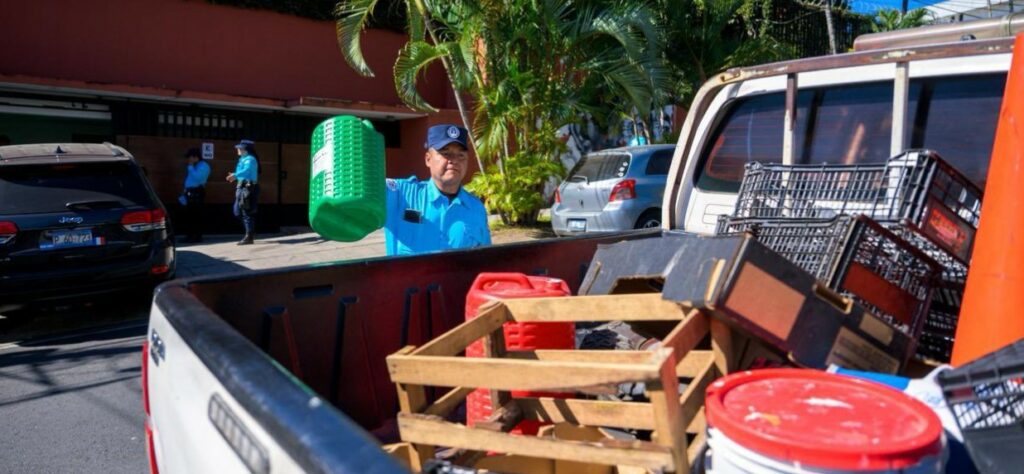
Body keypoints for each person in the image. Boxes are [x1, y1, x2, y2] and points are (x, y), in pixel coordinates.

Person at [384, 124, 490, 256]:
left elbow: (485, 257)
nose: (454, 160)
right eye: (446, 153)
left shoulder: (476, 208)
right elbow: (366, 189)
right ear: (428, 159)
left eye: (461, 155)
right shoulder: (401, 194)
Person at [227, 139, 260, 245]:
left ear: (246, 149)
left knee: (246, 212)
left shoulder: (250, 159)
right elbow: (242, 172)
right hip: (241, 187)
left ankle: (249, 236)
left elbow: (247, 171)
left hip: (248, 187)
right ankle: (250, 231)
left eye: (240, 148)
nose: (238, 149)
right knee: (237, 212)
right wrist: (235, 176)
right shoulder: (242, 159)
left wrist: (235, 175)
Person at [179, 147, 210, 243]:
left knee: (195, 215)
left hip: (196, 192)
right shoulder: (196, 165)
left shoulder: (203, 166)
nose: (189, 160)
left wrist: (190, 167)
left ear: (195, 157)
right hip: (190, 192)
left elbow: (199, 179)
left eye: (190, 157)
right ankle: (190, 235)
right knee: (190, 215)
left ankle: (196, 236)